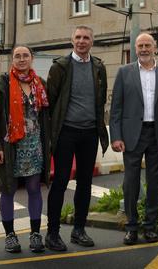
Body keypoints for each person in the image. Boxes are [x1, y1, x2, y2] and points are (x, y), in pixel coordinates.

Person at [110, 33, 158, 245]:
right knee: (130, 183)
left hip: (157, 133)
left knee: (155, 182)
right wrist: (116, 136)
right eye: (140, 45)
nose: (144, 49)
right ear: (135, 48)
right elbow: (116, 108)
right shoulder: (124, 72)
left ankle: (150, 226)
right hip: (132, 135)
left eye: (148, 45)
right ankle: (131, 227)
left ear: (155, 47)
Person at [45, 25, 109, 251]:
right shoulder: (60, 67)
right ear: (72, 41)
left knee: (85, 183)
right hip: (66, 133)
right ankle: (52, 234)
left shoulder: (99, 67)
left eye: (86, 38)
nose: (82, 41)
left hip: (89, 133)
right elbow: (51, 103)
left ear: (92, 41)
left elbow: (100, 101)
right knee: (60, 181)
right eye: (78, 37)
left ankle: (78, 230)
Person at [0, 45, 51, 254]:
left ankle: (35, 234)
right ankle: (10, 236)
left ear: (32, 58)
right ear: (12, 59)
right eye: (17, 56)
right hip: (10, 146)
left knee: (34, 189)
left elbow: (45, 115)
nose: (22, 59)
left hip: (34, 145)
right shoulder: (3, 83)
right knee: (8, 190)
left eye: (25, 56)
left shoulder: (39, 83)